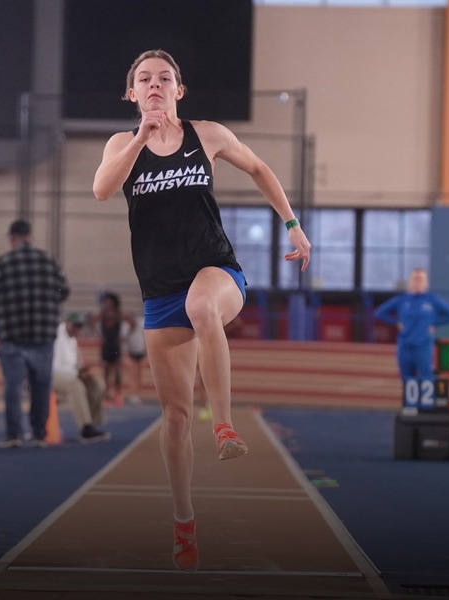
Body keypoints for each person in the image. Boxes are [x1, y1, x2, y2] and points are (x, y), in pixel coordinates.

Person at [91, 49, 312, 571]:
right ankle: (184, 522)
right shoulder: (123, 144)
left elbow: (259, 167)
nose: (154, 85)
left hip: (215, 271)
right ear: (131, 93)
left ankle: (226, 426)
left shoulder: (206, 134)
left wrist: (292, 225)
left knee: (203, 308)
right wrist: (143, 136)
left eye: (164, 78)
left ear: (179, 90)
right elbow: (102, 189)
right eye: (143, 79)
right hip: (159, 290)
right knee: (173, 414)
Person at [0, 219, 70, 448]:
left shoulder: (3, 263)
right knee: (41, 386)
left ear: (12, 238)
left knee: (13, 386)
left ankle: (14, 435)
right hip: (43, 335)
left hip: (13, 333)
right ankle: (40, 434)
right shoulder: (48, 261)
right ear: (30, 236)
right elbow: (64, 291)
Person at [373, 268, 449, 409]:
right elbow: (379, 313)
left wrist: (435, 323)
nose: (418, 282)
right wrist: (395, 322)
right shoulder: (401, 300)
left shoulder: (432, 300)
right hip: (405, 347)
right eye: (415, 279)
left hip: (424, 347)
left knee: (427, 380)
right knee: (408, 381)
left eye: (421, 279)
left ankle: (428, 411)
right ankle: (409, 409)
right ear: (410, 282)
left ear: (426, 283)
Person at [52, 312, 110, 443]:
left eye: (80, 326)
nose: (77, 329)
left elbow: (75, 363)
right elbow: (55, 365)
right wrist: (77, 373)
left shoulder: (72, 339)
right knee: (75, 385)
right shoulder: (56, 335)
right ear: (67, 323)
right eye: (75, 326)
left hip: (70, 373)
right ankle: (85, 427)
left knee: (97, 383)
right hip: (53, 373)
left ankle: (92, 422)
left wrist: (83, 371)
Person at [91, 290, 136, 406]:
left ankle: (118, 394)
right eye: (106, 302)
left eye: (110, 303)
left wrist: (125, 337)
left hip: (116, 345)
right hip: (106, 345)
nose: (108, 305)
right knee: (106, 371)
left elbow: (132, 322)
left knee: (117, 371)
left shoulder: (118, 313)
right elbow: (91, 320)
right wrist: (97, 334)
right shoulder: (103, 313)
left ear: (114, 303)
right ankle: (107, 396)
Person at [125, 311, 147, 405]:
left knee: (139, 374)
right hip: (131, 352)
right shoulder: (126, 326)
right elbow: (124, 340)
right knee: (132, 373)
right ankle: (132, 394)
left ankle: (137, 394)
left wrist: (145, 349)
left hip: (140, 351)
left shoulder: (141, 323)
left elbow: (145, 335)